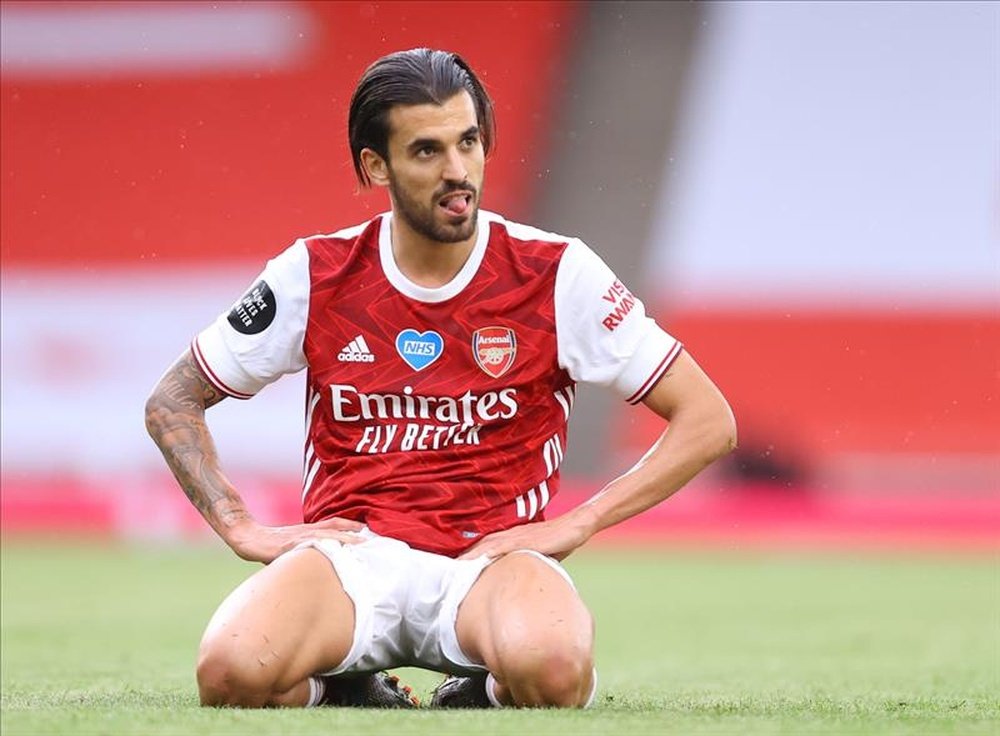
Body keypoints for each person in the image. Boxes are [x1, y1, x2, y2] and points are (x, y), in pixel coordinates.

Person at [145, 47, 736, 710]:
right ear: (376, 166)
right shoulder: (315, 273)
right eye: (427, 151)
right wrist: (239, 526)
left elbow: (708, 420)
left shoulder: (557, 273)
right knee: (229, 676)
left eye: (469, 142)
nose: (458, 172)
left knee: (552, 673)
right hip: (353, 562)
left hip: (491, 562)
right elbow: (173, 401)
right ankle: (345, 694)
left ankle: (480, 695)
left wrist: (581, 521)